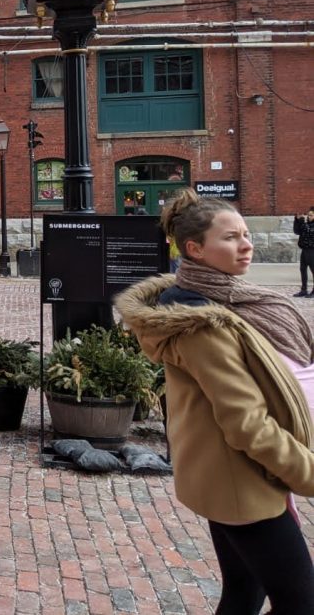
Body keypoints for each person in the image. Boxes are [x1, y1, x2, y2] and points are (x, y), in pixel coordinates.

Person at [115, 189, 314, 613]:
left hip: (235, 476)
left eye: (245, 234)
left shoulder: (232, 302)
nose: (246, 244)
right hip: (243, 480)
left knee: (244, 589)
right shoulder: (203, 322)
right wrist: (309, 472)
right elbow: (245, 423)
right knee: (300, 602)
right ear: (195, 249)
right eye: (230, 237)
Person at [294, 206, 314, 297]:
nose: (308, 217)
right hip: (304, 250)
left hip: (312, 250)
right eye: (308, 215)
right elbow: (297, 231)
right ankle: (304, 289)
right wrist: (297, 220)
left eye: (311, 215)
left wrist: (302, 222)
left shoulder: (310, 226)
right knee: (302, 269)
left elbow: (309, 232)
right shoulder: (306, 224)